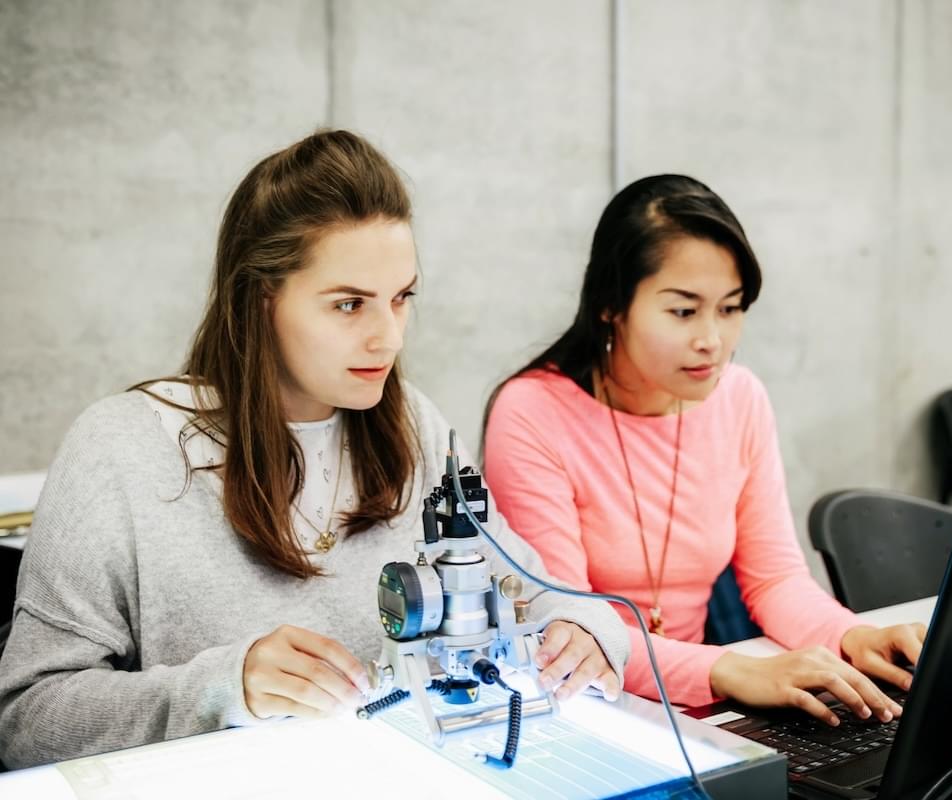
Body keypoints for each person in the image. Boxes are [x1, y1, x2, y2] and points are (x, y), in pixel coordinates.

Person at [0, 131, 626, 769]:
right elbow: (26, 720)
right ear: (260, 299)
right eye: (349, 304)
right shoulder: (120, 450)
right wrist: (222, 688)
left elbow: (536, 587)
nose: (388, 337)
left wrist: (588, 633)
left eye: (402, 298)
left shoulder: (416, 424)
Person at [483, 174, 924, 720]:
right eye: (684, 311)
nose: (712, 340)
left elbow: (774, 578)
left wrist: (855, 636)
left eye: (731, 308)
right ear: (611, 304)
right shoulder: (533, 412)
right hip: (580, 707)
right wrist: (727, 670)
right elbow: (568, 625)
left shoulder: (739, 398)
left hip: (697, 708)